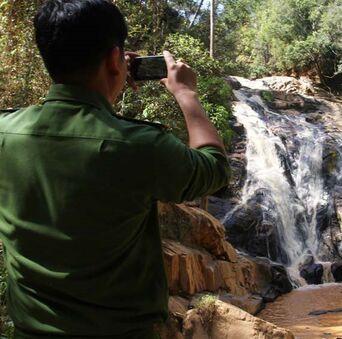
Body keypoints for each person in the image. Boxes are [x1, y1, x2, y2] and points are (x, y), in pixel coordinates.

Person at [0, 0, 230, 337]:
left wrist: (110, 77)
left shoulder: (6, 132)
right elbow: (215, 168)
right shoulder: (141, 146)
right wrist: (186, 94)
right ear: (113, 59)